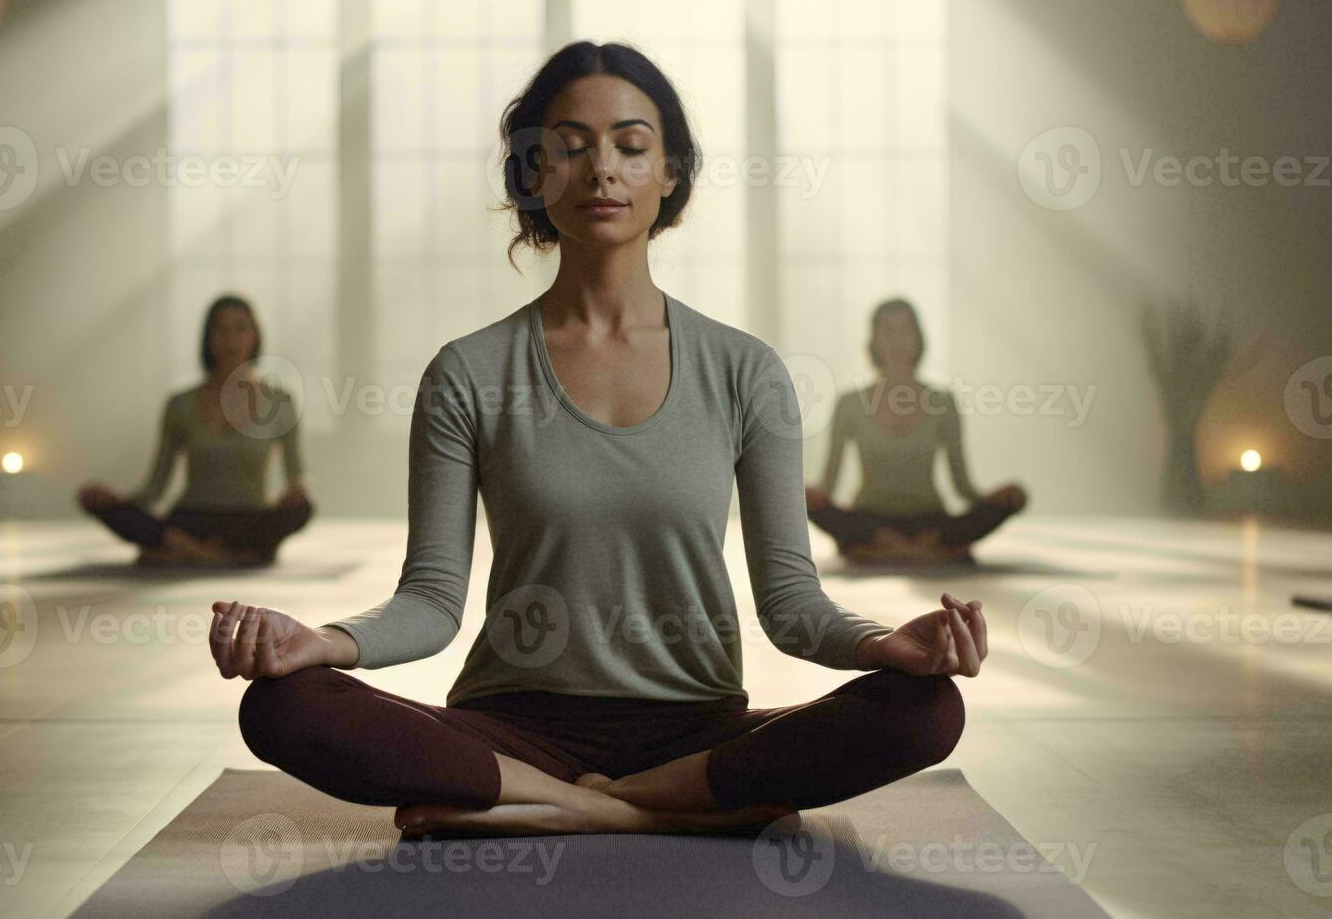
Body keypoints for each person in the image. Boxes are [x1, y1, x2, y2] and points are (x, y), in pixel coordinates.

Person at [212, 41, 986, 841]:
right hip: (514, 729)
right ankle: (653, 808)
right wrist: (323, 642)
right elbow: (430, 602)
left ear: (671, 173)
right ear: (533, 173)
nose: (601, 171)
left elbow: (792, 606)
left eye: (630, 145)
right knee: (284, 705)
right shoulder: (468, 373)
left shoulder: (745, 371)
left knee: (926, 708)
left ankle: (562, 807)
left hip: (698, 727)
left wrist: (885, 643)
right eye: (570, 148)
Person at [76, 294, 313, 566]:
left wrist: (296, 492)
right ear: (208, 338)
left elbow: (297, 477)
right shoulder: (180, 405)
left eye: (240, 328)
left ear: (255, 336)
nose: (231, 339)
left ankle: (188, 552)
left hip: (249, 522)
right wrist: (115, 502)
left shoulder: (281, 402)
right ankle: (225, 556)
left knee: (302, 509)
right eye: (221, 330)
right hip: (191, 521)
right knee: (109, 509)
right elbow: (156, 487)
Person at [804, 298, 1027, 565]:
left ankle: (879, 551)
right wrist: (804, 494)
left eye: (906, 331)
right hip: (869, 521)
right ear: (873, 341)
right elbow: (828, 485)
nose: (897, 341)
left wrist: (995, 500)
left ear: (918, 339)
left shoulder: (943, 402)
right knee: (800, 497)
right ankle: (931, 551)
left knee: (1015, 495)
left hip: (930, 523)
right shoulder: (850, 404)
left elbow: (962, 485)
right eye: (888, 331)